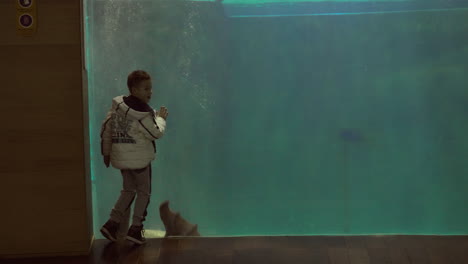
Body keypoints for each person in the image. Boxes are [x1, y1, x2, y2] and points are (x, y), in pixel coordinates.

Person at [99, 70, 168, 245]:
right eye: (146, 88)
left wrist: (106, 153)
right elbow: (156, 133)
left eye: (150, 88)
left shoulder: (116, 107)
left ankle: (112, 223)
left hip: (122, 160)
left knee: (128, 190)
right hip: (140, 163)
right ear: (134, 90)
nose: (150, 92)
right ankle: (136, 228)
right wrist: (160, 118)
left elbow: (106, 130)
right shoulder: (143, 113)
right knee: (144, 193)